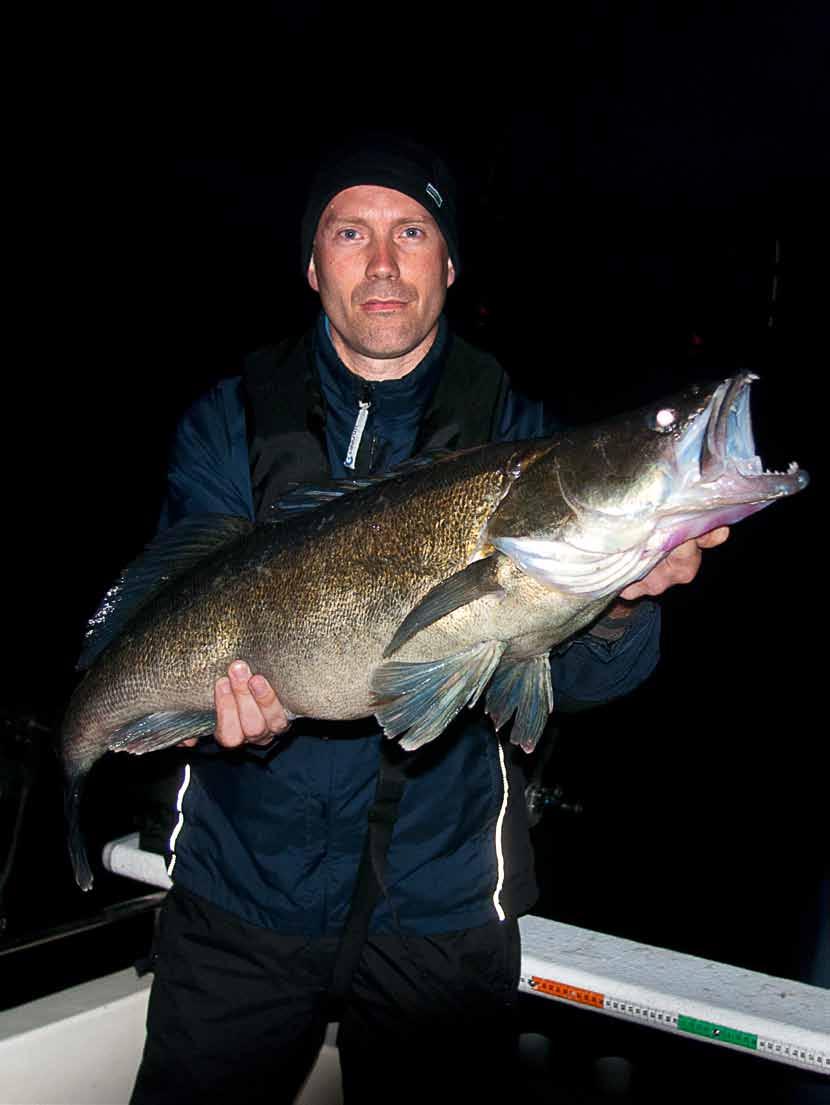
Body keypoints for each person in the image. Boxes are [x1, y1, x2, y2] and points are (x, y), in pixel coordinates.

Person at [129, 135, 728, 1105]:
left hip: (442, 912)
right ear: (310, 260)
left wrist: (617, 605)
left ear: (446, 263)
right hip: (238, 896)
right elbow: (181, 606)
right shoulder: (229, 419)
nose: (379, 262)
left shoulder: (520, 436)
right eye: (349, 231)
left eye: (410, 231)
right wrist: (200, 708)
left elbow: (578, 681)